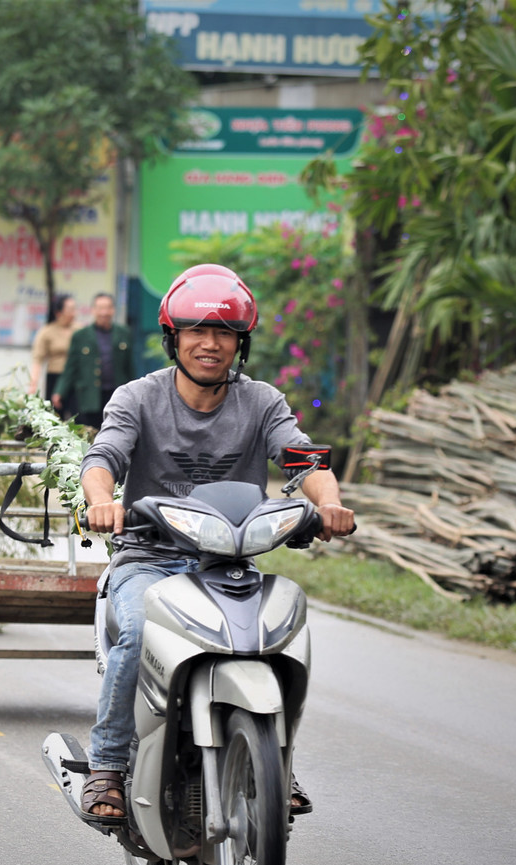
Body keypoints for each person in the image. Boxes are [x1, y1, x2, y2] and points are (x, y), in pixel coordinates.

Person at [76, 264, 357, 822]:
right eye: (196, 332)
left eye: (224, 332)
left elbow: (303, 460)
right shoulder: (138, 398)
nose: (210, 344)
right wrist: (102, 499)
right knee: (136, 633)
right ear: (173, 338)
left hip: (228, 563)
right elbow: (103, 458)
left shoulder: (262, 402)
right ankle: (106, 765)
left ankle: (273, 759)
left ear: (240, 343)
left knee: (277, 638)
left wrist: (328, 503)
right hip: (149, 559)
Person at [51, 292, 132, 429]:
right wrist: (59, 392)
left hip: (115, 396)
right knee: (88, 435)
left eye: (108, 308)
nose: (104, 313)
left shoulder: (124, 333)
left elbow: (129, 367)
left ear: (113, 310)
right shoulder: (80, 336)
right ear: (93, 310)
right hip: (89, 397)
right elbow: (71, 368)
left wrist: (132, 392)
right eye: (100, 308)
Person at [27, 293, 77, 399]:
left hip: (75, 379)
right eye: (70, 310)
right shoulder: (47, 331)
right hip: (55, 377)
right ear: (58, 313)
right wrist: (33, 384)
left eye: (74, 309)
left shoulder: (79, 330)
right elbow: (37, 359)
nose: (74, 313)